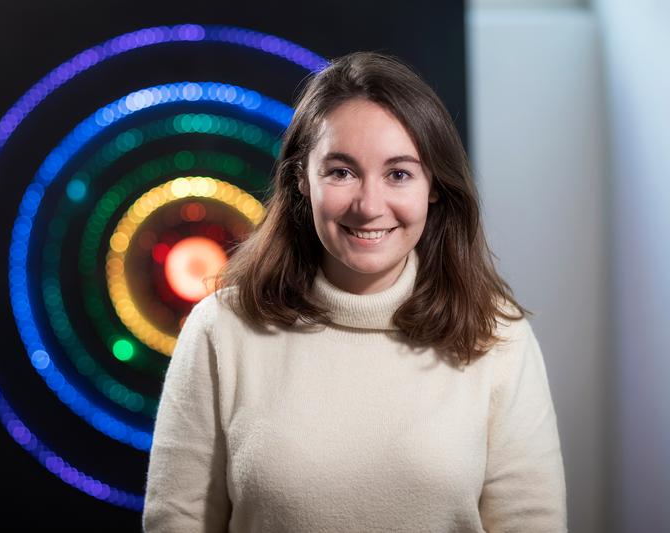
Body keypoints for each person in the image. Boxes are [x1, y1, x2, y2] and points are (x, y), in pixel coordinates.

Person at [142, 51, 567, 532]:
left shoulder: (497, 336)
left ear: (433, 186)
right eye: (341, 172)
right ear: (302, 179)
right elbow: (176, 522)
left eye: (399, 174)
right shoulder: (221, 330)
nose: (369, 206)